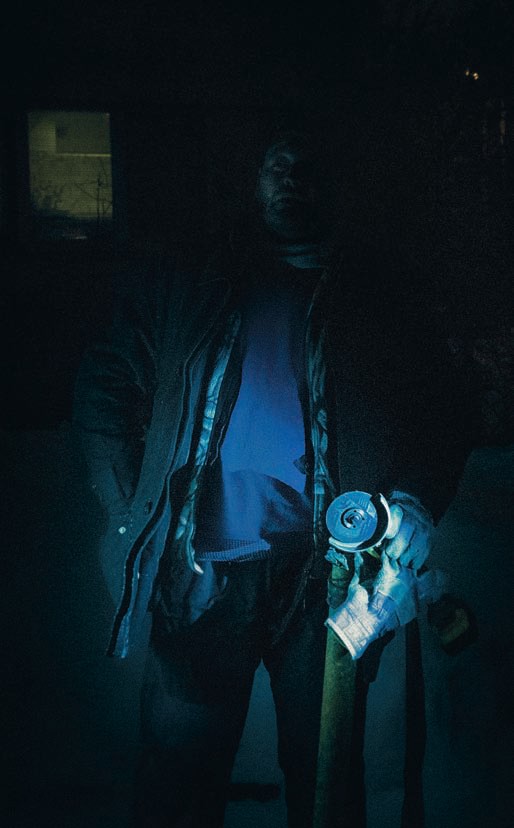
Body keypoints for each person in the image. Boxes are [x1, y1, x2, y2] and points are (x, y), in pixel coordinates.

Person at [73, 126, 473, 827]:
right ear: (253, 181)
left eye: (307, 168)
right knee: (177, 782)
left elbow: (440, 406)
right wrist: (133, 511)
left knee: (326, 783)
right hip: (201, 572)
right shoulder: (191, 279)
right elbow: (104, 382)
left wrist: (413, 498)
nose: (292, 181)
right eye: (277, 166)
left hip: (328, 579)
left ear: (336, 186)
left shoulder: (377, 294)